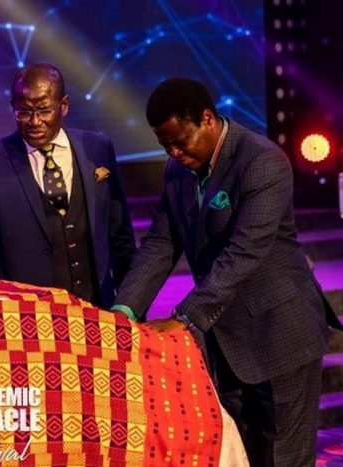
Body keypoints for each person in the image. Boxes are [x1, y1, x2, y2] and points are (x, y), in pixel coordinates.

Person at [112, 77, 342, 465]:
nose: (174, 152)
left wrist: (185, 318)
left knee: (283, 455)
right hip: (227, 340)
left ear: (207, 119)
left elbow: (242, 254)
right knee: (240, 453)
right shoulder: (176, 173)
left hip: (280, 333)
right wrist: (125, 311)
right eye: (164, 144)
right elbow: (160, 245)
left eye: (180, 141)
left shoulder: (261, 161)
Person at [0, 63, 136, 308]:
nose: (34, 121)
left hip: (96, 307)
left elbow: (119, 234)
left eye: (44, 110)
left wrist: (131, 303)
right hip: (24, 313)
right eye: (23, 112)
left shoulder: (97, 148)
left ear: (64, 105)